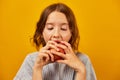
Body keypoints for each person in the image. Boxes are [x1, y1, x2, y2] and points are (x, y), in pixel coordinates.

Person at [14, 3, 97, 80]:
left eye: (63, 28)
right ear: (42, 31)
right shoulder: (31, 61)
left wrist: (81, 70)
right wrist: (37, 69)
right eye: (50, 28)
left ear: (71, 32)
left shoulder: (83, 61)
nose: (56, 34)